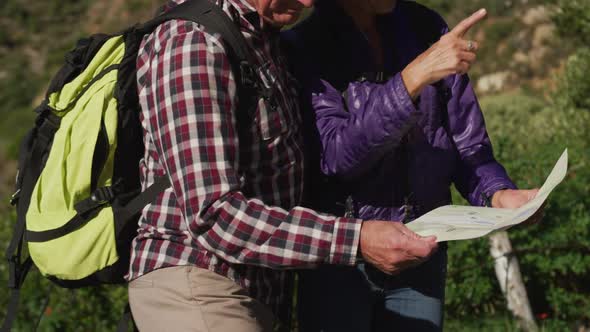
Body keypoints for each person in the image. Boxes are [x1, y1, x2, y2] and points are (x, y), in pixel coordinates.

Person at [126, 0, 439, 331]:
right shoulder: (193, 43)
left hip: (257, 292)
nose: (307, 2)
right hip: (197, 281)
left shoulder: (263, 38)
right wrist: (355, 238)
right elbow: (215, 215)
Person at [282, 0, 544, 331]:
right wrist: (412, 79)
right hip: (342, 265)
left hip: (422, 257)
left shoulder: (426, 27)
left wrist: (498, 193)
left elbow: (466, 142)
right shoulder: (303, 45)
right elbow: (335, 156)